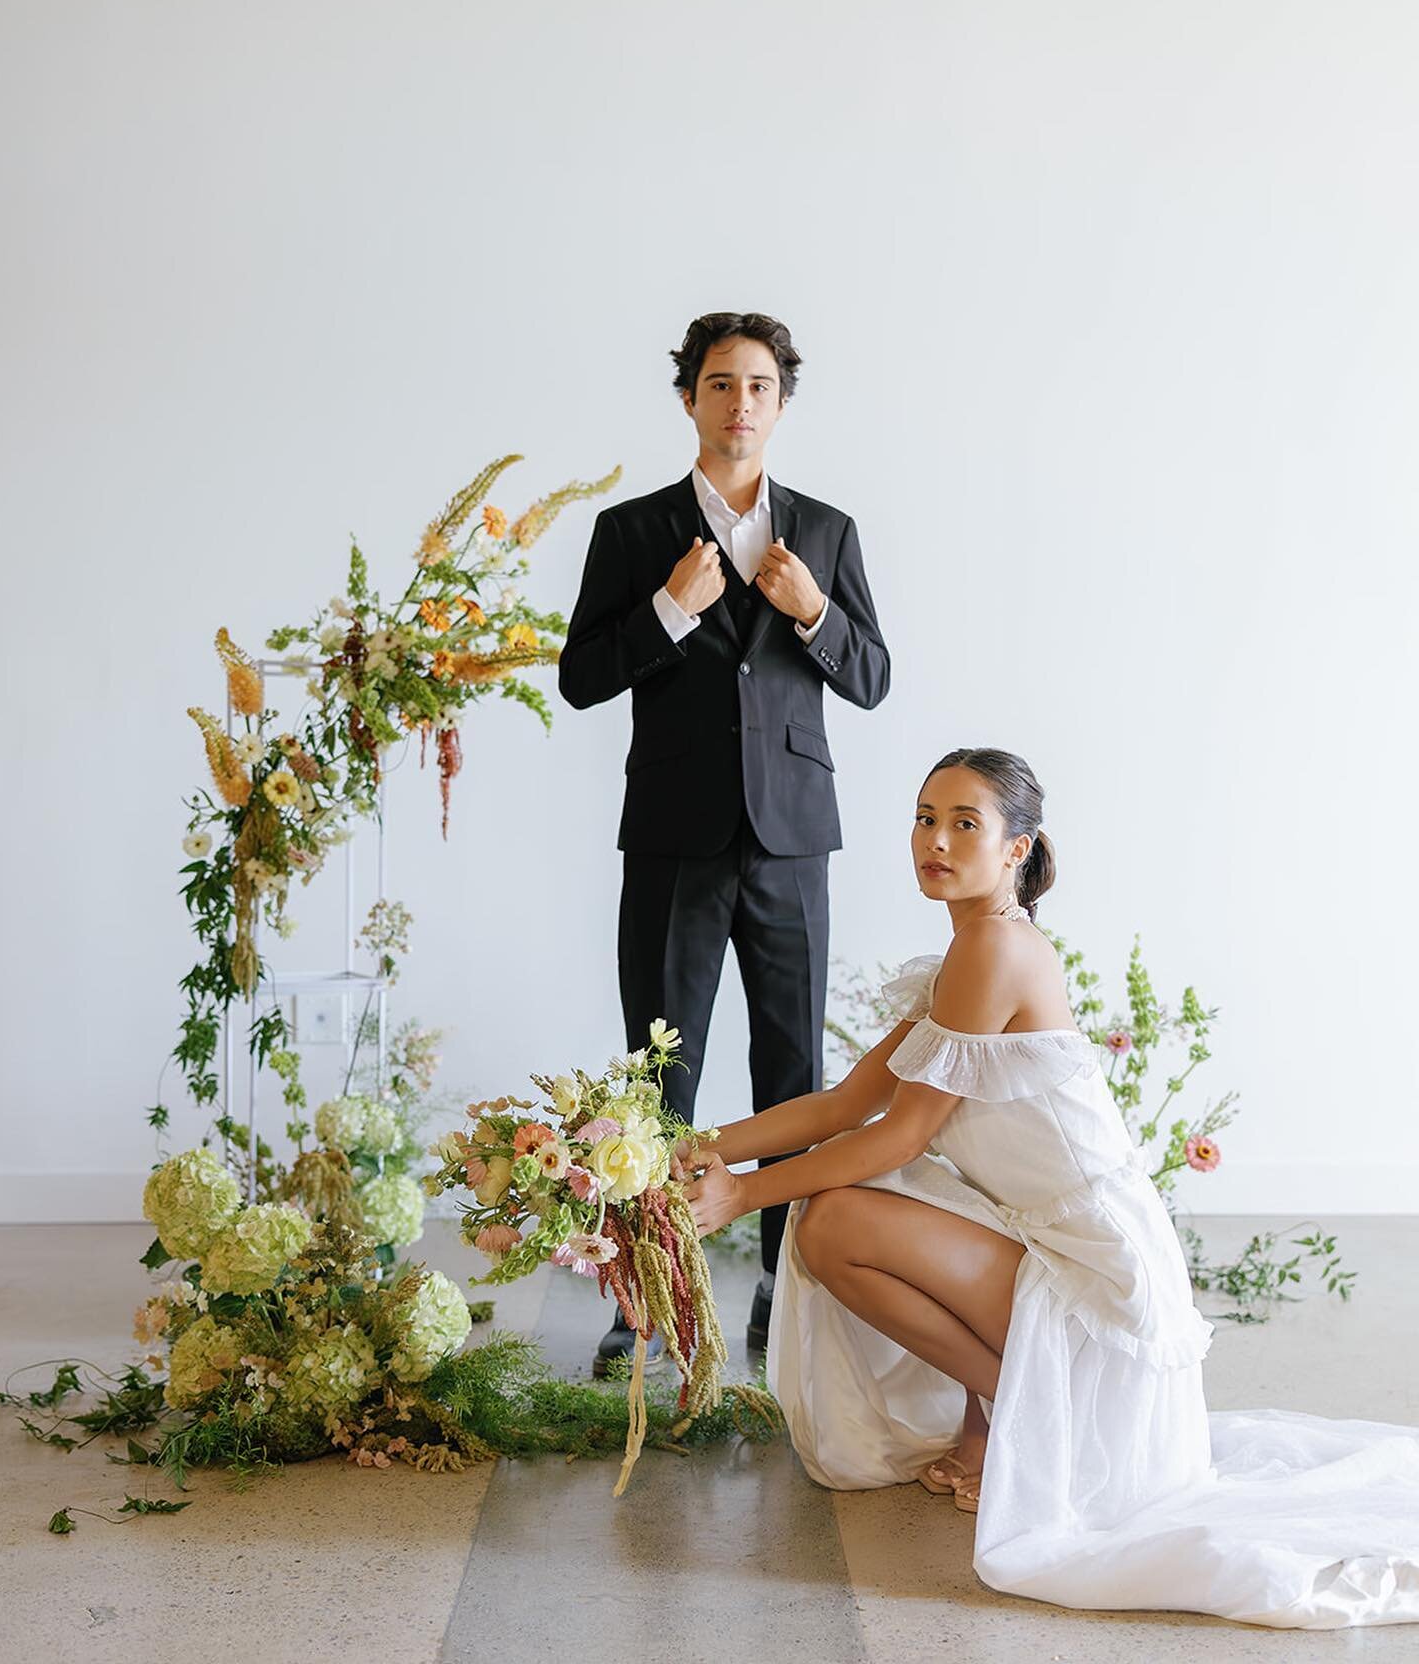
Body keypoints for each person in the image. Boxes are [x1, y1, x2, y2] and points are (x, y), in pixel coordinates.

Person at [681, 747, 1419, 1628]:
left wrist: (739, 1196)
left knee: (835, 1222)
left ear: (1018, 849)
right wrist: (681, 1149)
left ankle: (1041, 1423)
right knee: (845, 1214)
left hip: (1097, 1281)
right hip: (1044, 1246)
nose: (937, 841)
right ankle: (1004, 1409)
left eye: (966, 824)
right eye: (925, 818)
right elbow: (845, 1103)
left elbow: (901, 1133)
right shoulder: (963, 954)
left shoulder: (995, 948)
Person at [559, 311, 890, 1373]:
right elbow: (579, 679)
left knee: (793, 1069)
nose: (738, 402)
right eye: (718, 384)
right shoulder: (630, 531)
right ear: (690, 400)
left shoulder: (828, 534)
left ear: (780, 402)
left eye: (757, 385)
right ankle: (647, 1294)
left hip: (793, 839)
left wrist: (810, 612)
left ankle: (787, 1291)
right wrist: (664, 608)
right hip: (672, 839)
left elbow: (873, 677)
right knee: (660, 1077)